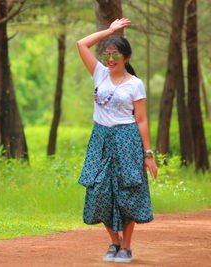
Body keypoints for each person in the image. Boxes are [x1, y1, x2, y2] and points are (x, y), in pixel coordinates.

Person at [76, 18, 158, 263]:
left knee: (127, 192)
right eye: (107, 54)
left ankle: (127, 247)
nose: (109, 59)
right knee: (98, 190)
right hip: (100, 138)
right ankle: (114, 241)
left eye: (115, 55)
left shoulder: (135, 84)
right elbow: (81, 44)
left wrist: (148, 154)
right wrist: (110, 32)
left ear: (126, 58)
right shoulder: (99, 74)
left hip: (127, 139)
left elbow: (141, 119)